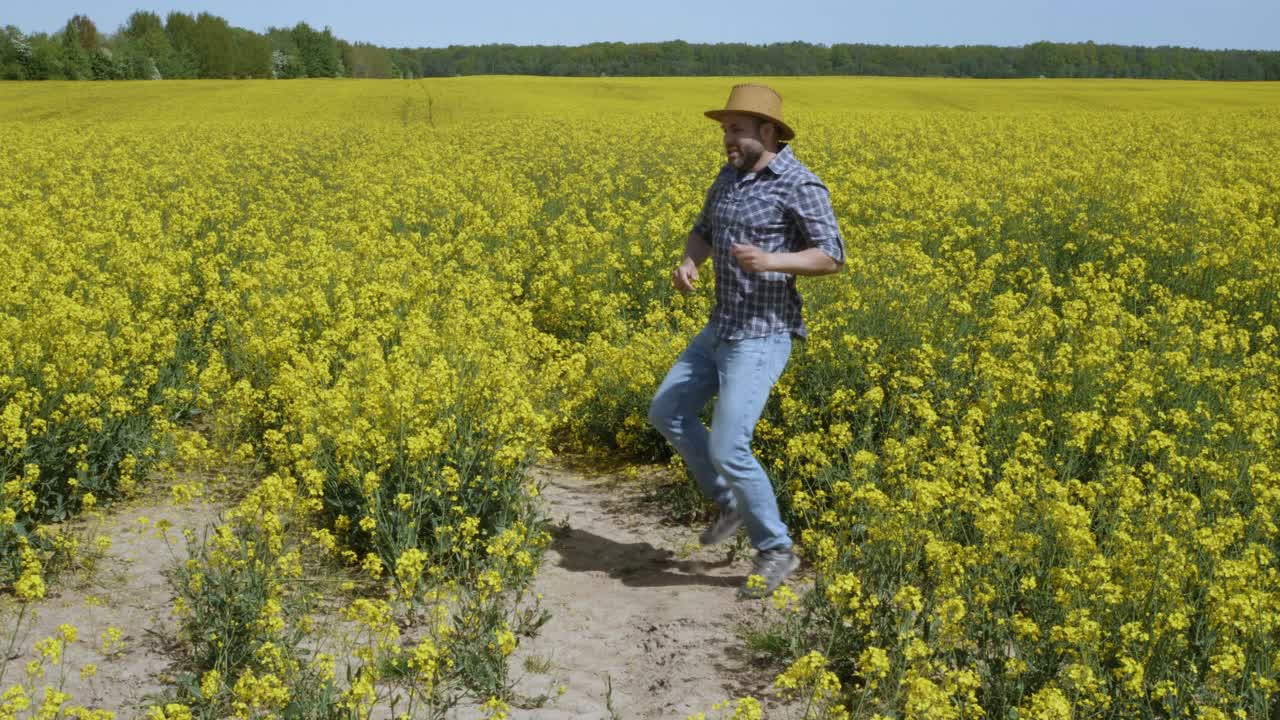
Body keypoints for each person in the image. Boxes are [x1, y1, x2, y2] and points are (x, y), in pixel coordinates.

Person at [647, 84, 846, 599]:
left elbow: (832, 255)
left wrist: (773, 260)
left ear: (767, 131)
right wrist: (691, 261)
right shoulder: (730, 177)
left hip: (762, 335)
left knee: (729, 444)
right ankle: (729, 501)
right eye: (724, 130)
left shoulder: (799, 184)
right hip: (720, 327)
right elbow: (704, 230)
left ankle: (776, 548)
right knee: (666, 412)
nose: (726, 139)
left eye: (735, 129)